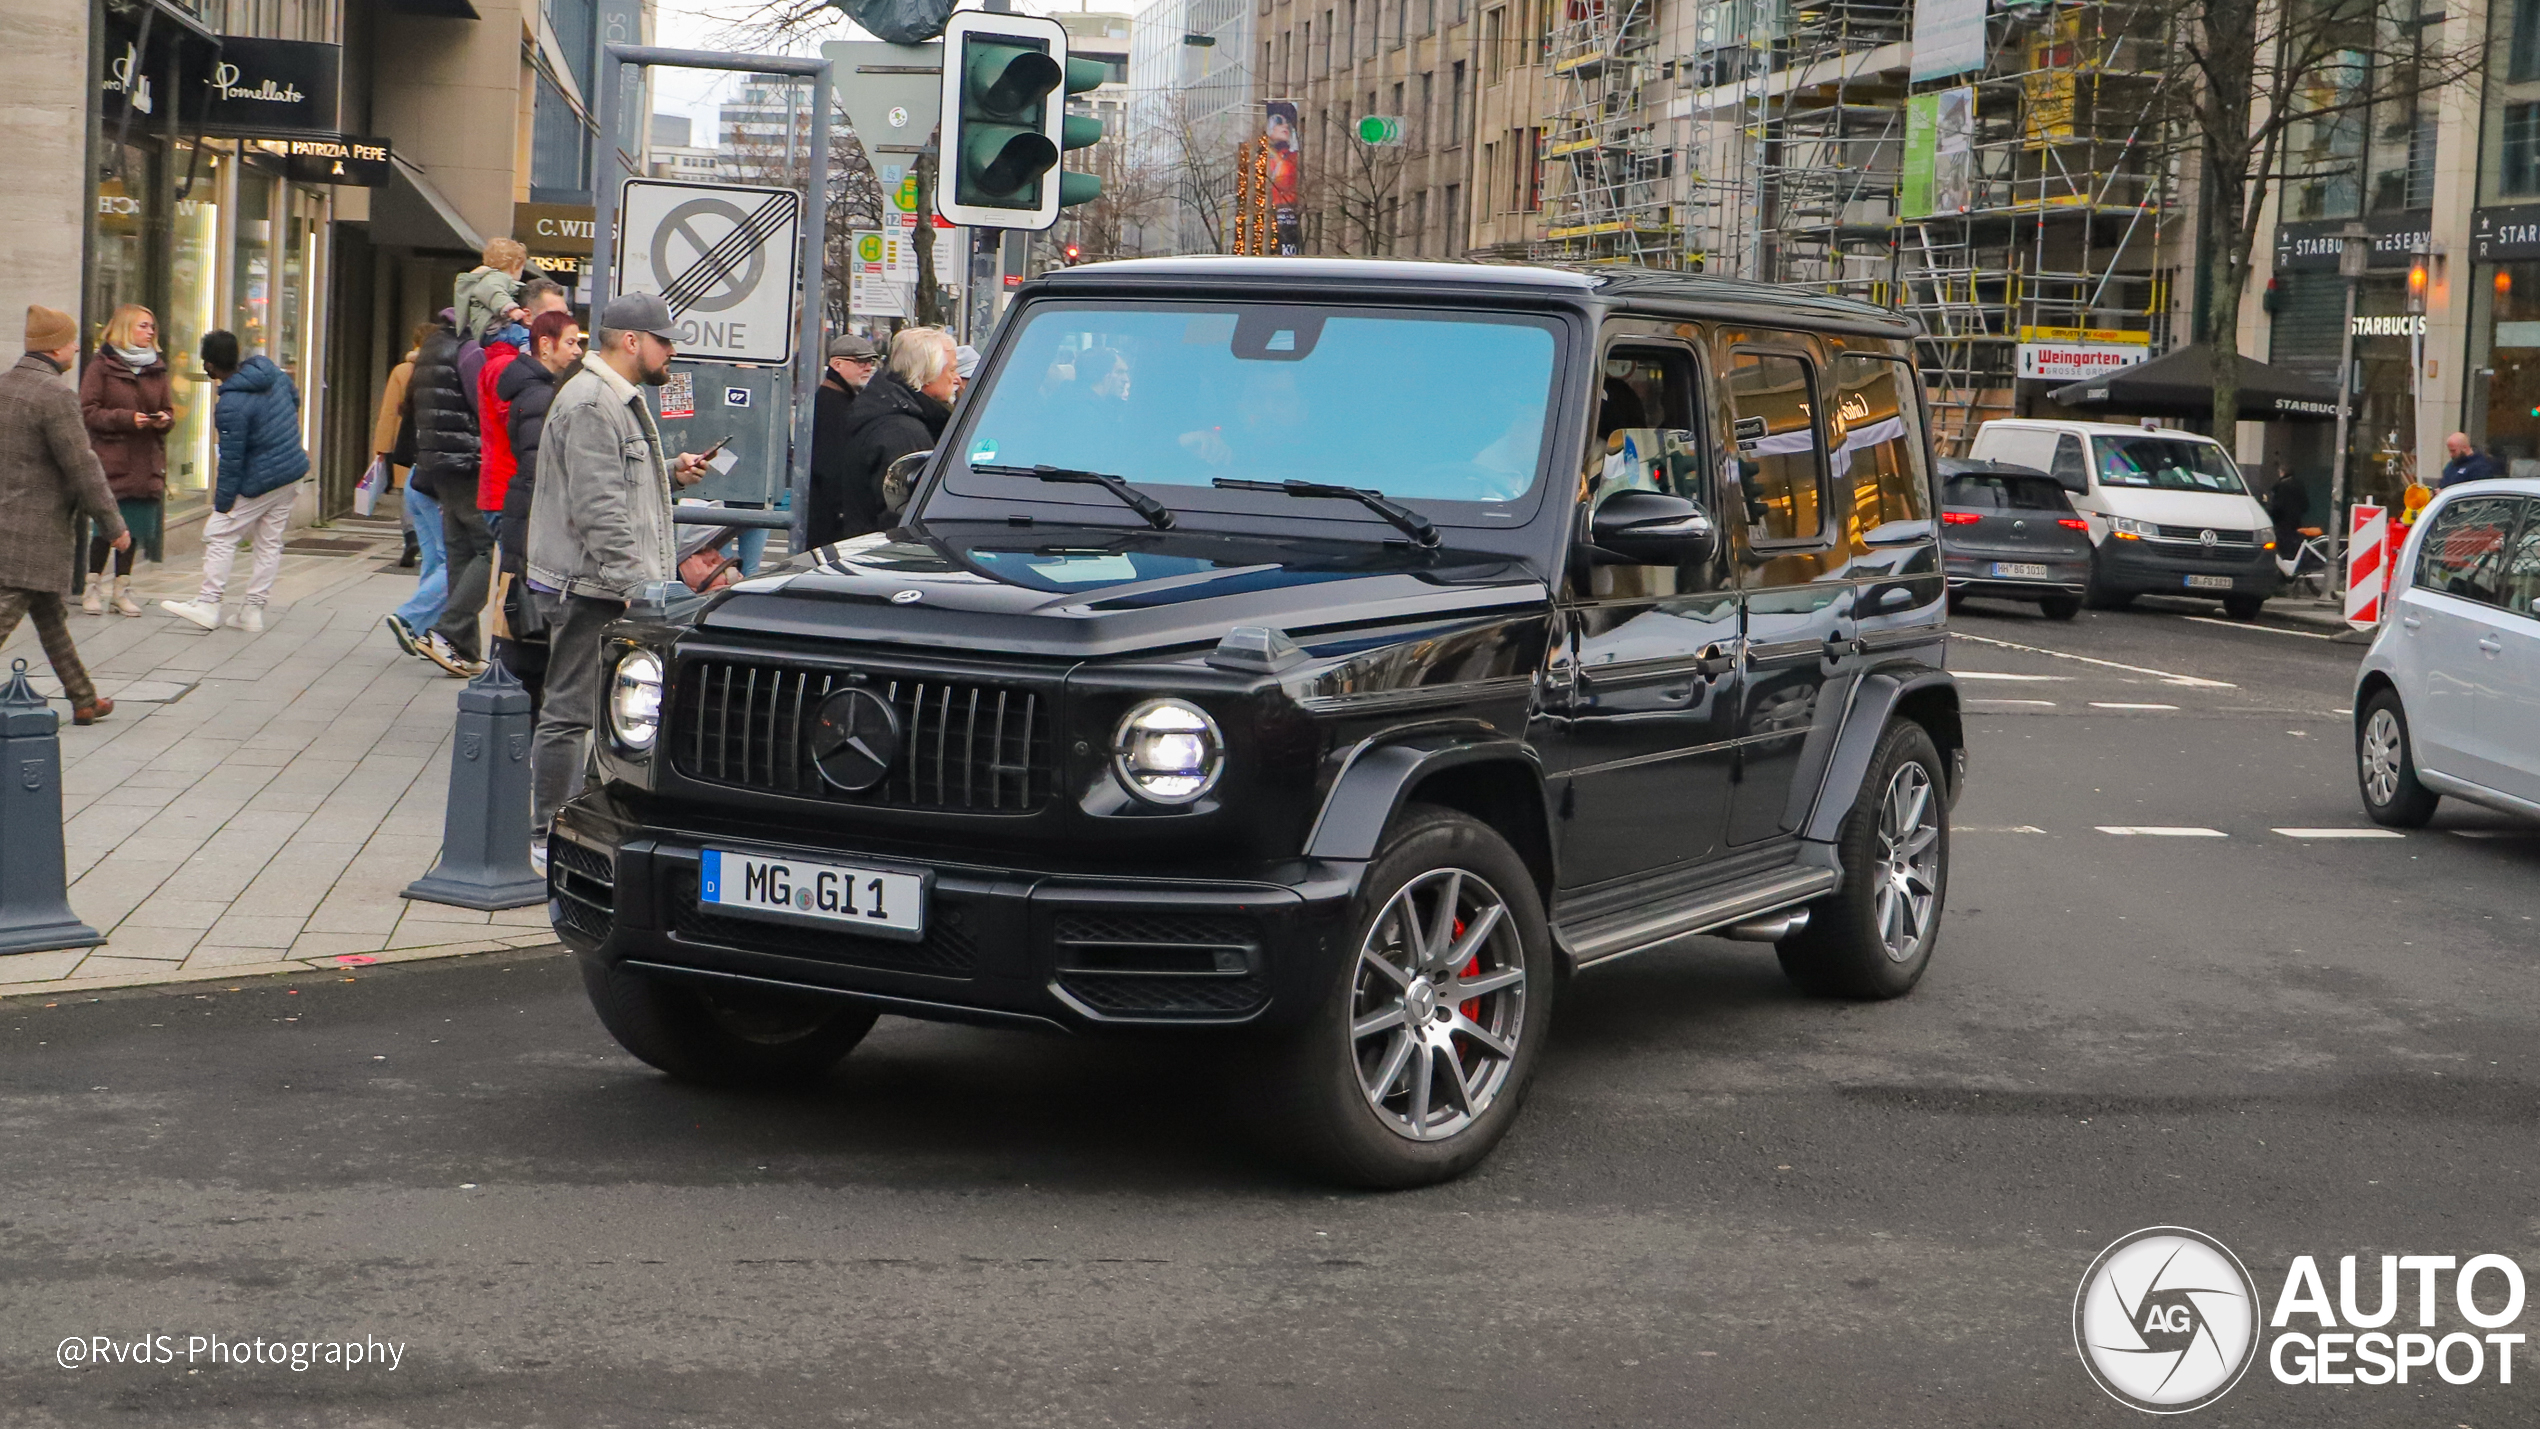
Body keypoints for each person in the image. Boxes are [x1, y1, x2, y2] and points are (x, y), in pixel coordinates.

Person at [526, 292, 711, 850]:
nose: (671, 353)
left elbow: (615, 490)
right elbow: (597, 508)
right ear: (632, 341)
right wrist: (638, 588)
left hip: (606, 583)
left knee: (603, 711)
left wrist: (672, 475)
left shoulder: (611, 398)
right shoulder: (591, 402)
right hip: (592, 585)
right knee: (569, 711)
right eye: (665, 341)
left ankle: (577, 828)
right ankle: (547, 835)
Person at [0, 305, 129, 724]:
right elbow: (82, 467)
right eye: (73, 339)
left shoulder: (4, 387)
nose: (77, 346)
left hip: (9, 527)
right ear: (55, 347)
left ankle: (83, 698)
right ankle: (84, 698)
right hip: (32, 533)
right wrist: (114, 527)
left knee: (51, 617)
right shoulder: (55, 396)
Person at [159, 332, 308, 634]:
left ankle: (208, 604)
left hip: (261, 478)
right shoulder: (269, 370)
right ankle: (252, 611)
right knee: (269, 542)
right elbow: (295, 400)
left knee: (220, 533)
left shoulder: (231, 403)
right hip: (292, 470)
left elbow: (231, 460)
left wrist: (223, 504)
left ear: (210, 365)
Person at [491, 308, 582, 704]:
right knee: (525, 626)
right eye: (571, 342)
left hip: (522, 518)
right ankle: (519, 719)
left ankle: (517, 711)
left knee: (518, 623)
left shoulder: (535, 389)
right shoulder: (542, 395)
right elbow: (539, 468)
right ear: (545, 345)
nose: (578, 350)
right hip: (530, 520)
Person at [390, 311, 479, 668]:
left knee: (435, 557)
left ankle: (423, 629)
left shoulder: (416, 372)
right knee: (460, 558)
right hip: (442, 479)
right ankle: (413, 618)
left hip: (420, 475)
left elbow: (393, 415)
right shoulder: (464, 363)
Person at [77, 304, 170, 617]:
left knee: (134, 527)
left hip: (145, 460)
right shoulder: (102, 365)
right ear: (126, 328)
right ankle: (92, 588)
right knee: (106, 527)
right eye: (143, 326)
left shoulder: (157, 366)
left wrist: (162, 420)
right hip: (112, 460)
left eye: (151, 327)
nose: (150, 332)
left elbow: (169, 411)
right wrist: (127, 419)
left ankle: (121, 590)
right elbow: (87, 411)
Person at [832, 327, 958, 531]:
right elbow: (903, 515)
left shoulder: (886, 412)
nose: (957, 378)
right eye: (951, 369)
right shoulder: (903, 432)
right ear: (926, 373)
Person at [806, 333, 880, 548]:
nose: (868, 367)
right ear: (837, 364)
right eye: (861, 362)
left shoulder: (840, 400)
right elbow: (831, 467)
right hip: (830, 520)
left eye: (871, 362)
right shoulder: (832, 405)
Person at [372, 322, 435, 570]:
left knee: (405, 491)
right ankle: (429, 538)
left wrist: (381, 448)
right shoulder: (442, 368)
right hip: (432, 438)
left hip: (404, 438)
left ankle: (410, 537)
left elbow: (388, 413)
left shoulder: (402, 371)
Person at [454, 237, 529, 343]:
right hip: (492, 331)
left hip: (491, 330)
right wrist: (511, 309)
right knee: (525, 336)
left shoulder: (492, 278)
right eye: (522, 267)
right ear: (514, 266)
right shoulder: (493, 279)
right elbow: (495, 293)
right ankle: (528, 354)